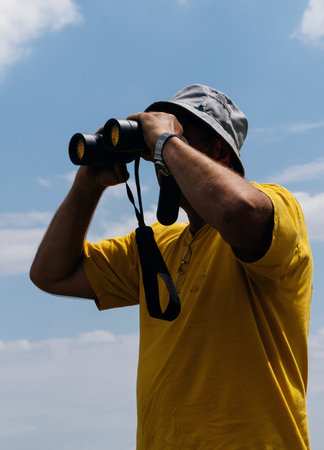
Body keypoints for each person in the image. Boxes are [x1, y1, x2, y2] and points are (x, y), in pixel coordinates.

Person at [30, 84, 313, 449]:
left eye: (181, 135)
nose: (158, 156)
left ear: (220, 152)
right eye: (155, 147)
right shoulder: (157, 247)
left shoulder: (276, 208)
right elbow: (51, 273)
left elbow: (237, 213)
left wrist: (164, 138)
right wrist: (87, 185)